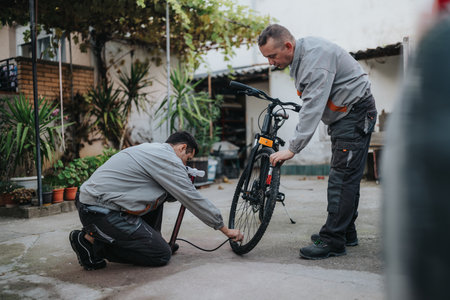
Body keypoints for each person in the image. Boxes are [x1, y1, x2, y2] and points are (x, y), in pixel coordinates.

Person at [258, 24, 377, 260]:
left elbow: (312, 108)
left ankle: (333, 241)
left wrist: (292, 149)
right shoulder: (303, 56)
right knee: (347, 176)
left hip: (354, 113)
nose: (271, 62)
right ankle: (345, 233)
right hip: (347, 115)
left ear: (288, 46)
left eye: (272, 56)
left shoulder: (314, 61)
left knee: (341, 178)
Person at [69, 131, 243, 270]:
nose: (186, 164)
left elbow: (169, 195)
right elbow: (192, 199)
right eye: (187, 159)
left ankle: (151, 240)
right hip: (98, 211)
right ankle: (91, 243)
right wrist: (225, 230)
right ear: (182, 148)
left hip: (96, 204)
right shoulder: (167, 159)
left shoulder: (153, 150)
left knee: (160, 195)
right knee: (160, 255)